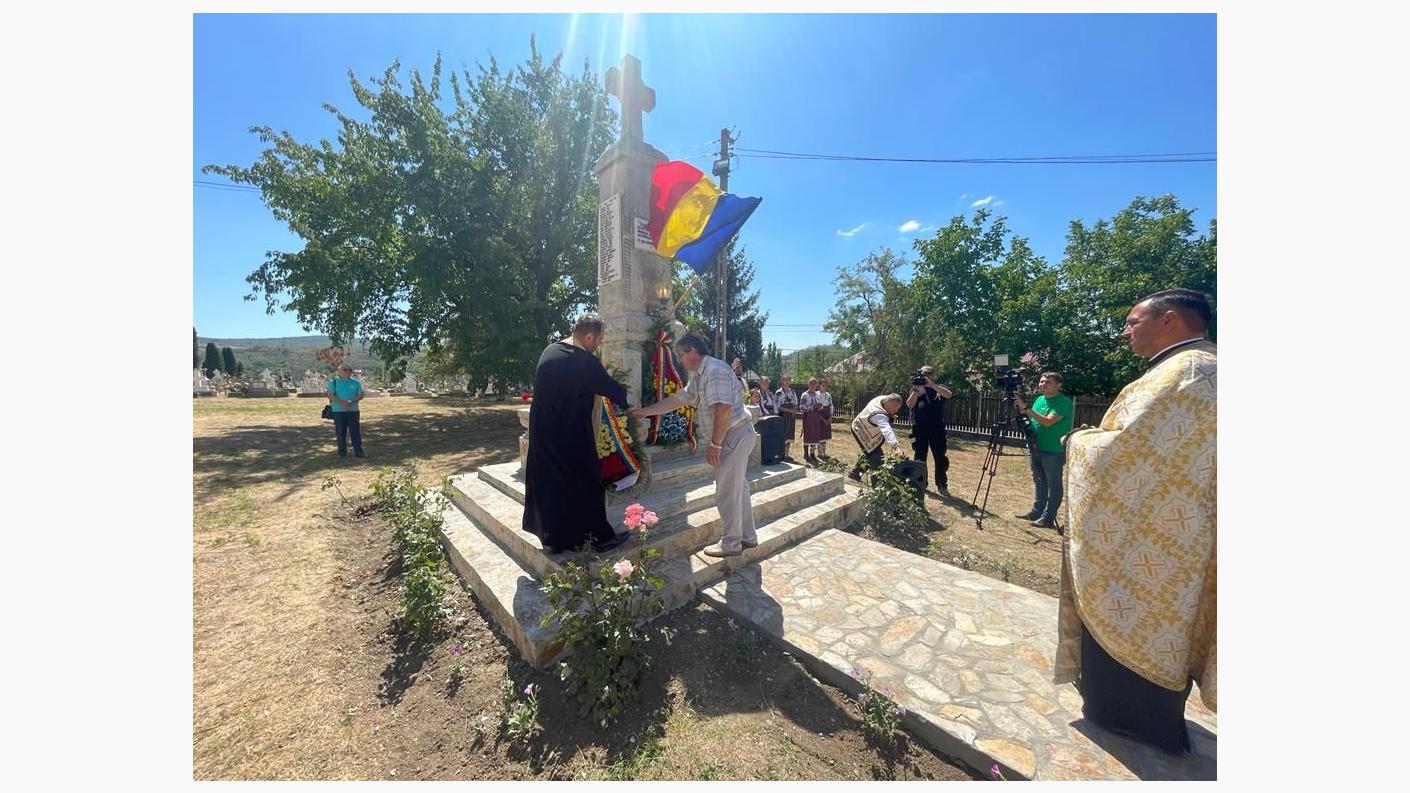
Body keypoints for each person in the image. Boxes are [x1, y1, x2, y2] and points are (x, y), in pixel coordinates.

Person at [1053, 288, 1216, 753]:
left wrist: (1079, 441)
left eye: (1132, 322)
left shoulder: (1185, 373)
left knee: (1137, 620)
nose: (1125, 332)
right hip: (1176, 530)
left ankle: (1129, 720)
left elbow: (1126, 451)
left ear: (1169, 320)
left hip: (1154, 535)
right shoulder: (1201, 368)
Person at [631, 333, 758, 557]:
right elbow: (679, 399)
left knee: (727, 492)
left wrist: (715, 445)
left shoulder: (714, 371)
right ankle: (747, 536)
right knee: (737, 489)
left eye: (681, 355)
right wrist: (646, 412)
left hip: (732, 436)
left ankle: (731, 543)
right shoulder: (701, 376)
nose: (680, 360)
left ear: (692, 351)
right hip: (733, 435)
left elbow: (723, 409)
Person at [522, 313, 631, 555]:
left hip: (543, 432)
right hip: (571, 433)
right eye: (599, 339)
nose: (600, 344)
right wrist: (625, 394)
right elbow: (614, 392)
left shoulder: (550, 350)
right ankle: (601, 539)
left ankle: (555, 539)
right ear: (589, 336)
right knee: (587, 481)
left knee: (552, 484)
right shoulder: (583, 361)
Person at [1013, 372, 1073, 529]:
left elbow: (1047, 422)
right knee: (1039, 480)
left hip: (1053, 450)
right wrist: (1021, 411)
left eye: (1048, 382)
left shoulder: (1064, 403)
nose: (1043, 384)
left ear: (1059, 385)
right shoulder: (1040, 399)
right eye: (1041, 381)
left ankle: (1048, 517)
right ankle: (1036, 511)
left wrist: (1027, 408)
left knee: (1054, 484)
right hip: (1035, 447)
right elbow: (1033, 419)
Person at [905, 365, 954, 493]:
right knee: (920, 456)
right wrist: (916, 390)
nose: (925, 376)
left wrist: (931, 385)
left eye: (928, 373)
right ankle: (920, 483)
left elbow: (949, 395)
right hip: (919, 427)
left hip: (937, 427)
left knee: (940, 456)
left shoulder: (939, 387)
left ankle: (942, 484)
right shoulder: (915, 388)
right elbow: (909, 404)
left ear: (933, 375)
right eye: (923, 373)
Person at [847, 393, 906, 482]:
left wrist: (889, 414)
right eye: (896, 408)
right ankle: (877, 484)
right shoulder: (879, 415)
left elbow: (885, 414)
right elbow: (887, 431)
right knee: (877, 457)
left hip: (865, 427)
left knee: (869, 452)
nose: (897, 410)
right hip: (860, 430)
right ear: (890, 404)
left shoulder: (882, 399)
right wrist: (896, 447)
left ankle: (855, 475)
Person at [326, 364, 365, 458]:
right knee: (340, 432)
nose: (348, 372)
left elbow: (360, 394)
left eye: (350, 370)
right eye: (345, 370)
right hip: (338, 411)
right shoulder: (333, 382)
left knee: (355, 432)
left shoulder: (355, 383)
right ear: (339, 371)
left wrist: (350, 401)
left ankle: (358, 452)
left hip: (353, 410)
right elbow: (330, 395)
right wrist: (342, 403)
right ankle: (342, 453)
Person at [799, 378, 827, 463]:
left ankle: (812, 454)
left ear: (816, 385)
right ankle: (806, 454)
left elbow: (820, 406)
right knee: (808, 434)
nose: (813, 385)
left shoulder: (817, 395)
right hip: (808, 417)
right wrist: (812, 407)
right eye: (811, 383)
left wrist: (820, 406)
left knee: (815, 435)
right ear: (808, 384)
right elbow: (801, 408)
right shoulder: (805, 395)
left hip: (816, 417)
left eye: (814, 384)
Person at [774, 375, 799, 461]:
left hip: (791, 416)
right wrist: (789, 410)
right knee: (783, 434)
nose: (787, 382)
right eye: (785, 380)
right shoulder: (779, 393)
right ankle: (781, 454)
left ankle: (786, 454)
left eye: (789, 380)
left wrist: (794, 410)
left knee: (789, 435)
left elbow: (796, 403)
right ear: (782, 381)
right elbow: (777, 406)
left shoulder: (792, 391)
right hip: (783, 415)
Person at [816, 378, 835, 459]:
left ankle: (823, 452)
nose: (824, 385)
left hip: (827, 416)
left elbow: (831, 406)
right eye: (823, 384)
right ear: (819, 385)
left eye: (826, 384)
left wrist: (830, 417)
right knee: (819, 435)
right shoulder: (816, 394)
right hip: (819, 416)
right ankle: (819, 453)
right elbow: (816, 408)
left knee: (824, 435)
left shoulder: (828, 395)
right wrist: (822, 419)